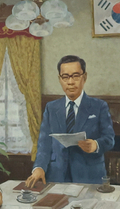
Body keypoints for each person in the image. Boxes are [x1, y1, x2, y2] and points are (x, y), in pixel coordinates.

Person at [28, 56, 115, 187]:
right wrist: (39, 168)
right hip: (56, 177)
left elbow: (110, 139)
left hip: (89, 177)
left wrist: (95, 145)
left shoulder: (99, 106)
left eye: (75, 76)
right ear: (60, 79)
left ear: (84, 77)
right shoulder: (51, 108)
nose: (70, 82)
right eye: (65, 77)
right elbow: (44, 144)